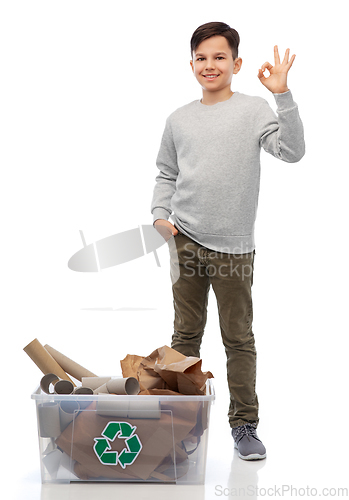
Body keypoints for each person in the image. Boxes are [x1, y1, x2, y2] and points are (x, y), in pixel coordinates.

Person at [150, 21, 305, 460]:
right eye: (202, 58)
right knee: (185, 337)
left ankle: (245, 426)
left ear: (236, 64)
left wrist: (282, 95)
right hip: (185, 240)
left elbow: (292, 152)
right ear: (191, 65)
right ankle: (177, 425)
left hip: (234, 248)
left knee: (238, 338)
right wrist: (161, 215)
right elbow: (166, 172)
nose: (210, 65)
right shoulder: (178, 119)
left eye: (220, 57)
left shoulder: (254, 110)